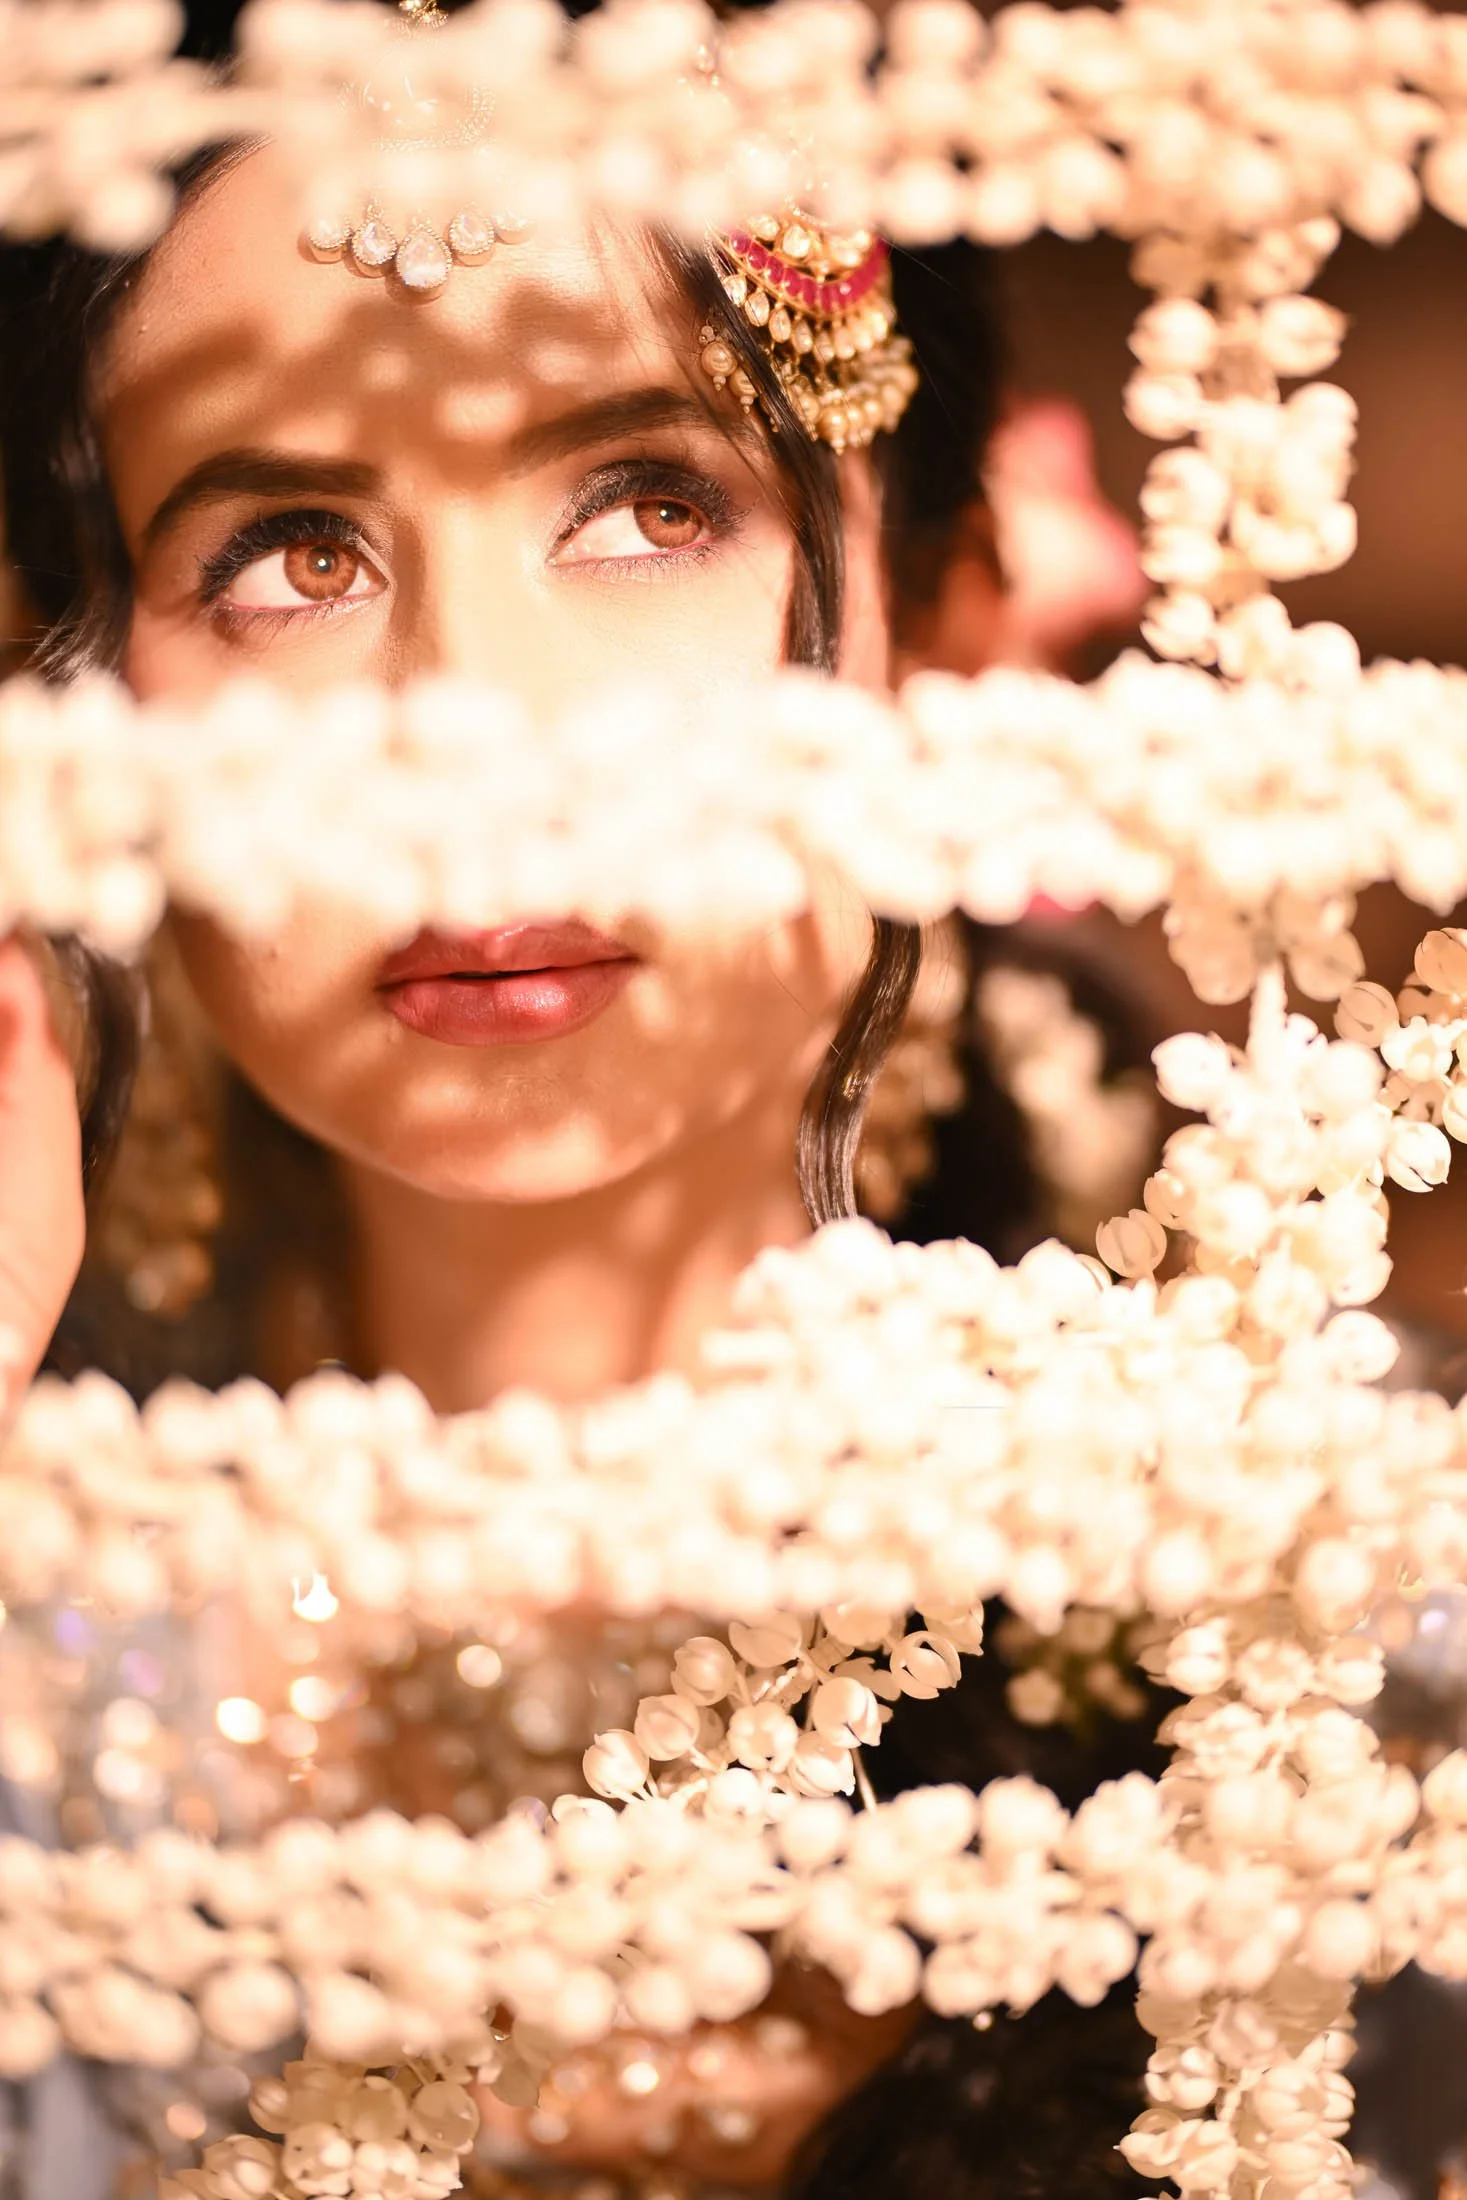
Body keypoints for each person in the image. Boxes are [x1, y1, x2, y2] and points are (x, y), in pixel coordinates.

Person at [0, 109, 1165, 2200]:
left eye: (653, 502)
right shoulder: (39, 1657)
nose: (479, 757)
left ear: (945, 615)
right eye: (289, 553)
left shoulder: (1338, 1613)